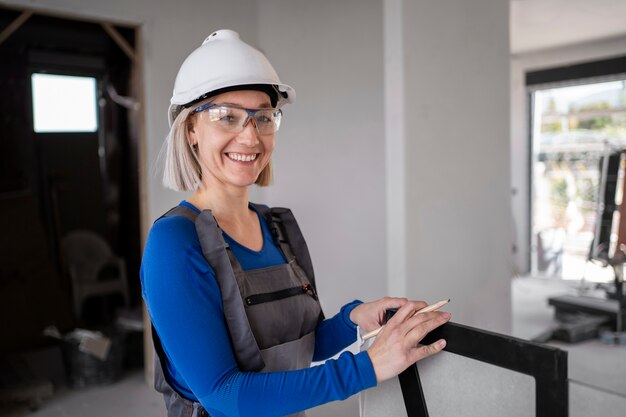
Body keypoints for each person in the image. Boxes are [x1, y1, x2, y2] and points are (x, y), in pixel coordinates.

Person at [141, 29, 451, 417]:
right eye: (227, 117)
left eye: (263, 117)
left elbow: (298, 346)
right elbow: (224, 394)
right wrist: (368, 366)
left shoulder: (277, 227)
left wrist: (353, 319)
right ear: (190, 130)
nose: (250, 137)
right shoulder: (175, 243)